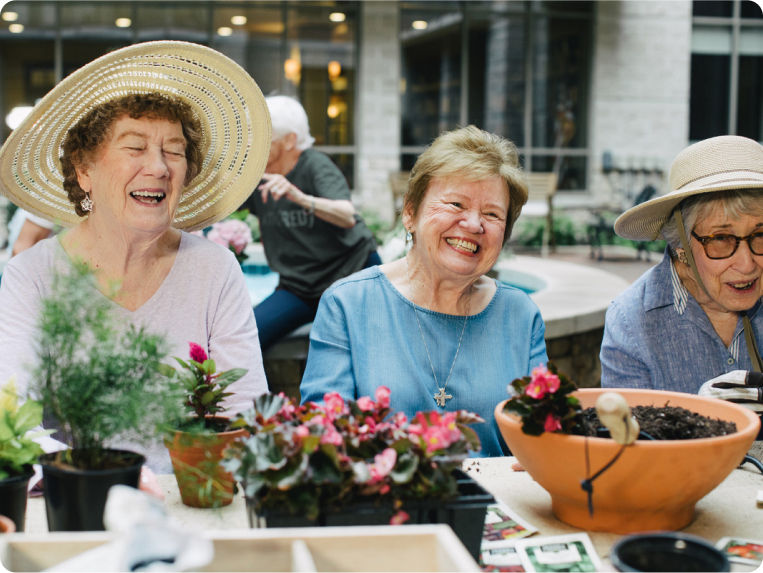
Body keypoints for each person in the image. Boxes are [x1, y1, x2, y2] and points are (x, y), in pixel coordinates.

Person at [0, 41, 272, 473]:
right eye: (134, 147)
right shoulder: (32, 276)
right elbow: (13, 417)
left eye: (175, 150)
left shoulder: (214, 269)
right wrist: (103, 486)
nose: (160, 167)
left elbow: (245, 409)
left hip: (192, 496)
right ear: (83, 170)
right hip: (75, 501)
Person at [300, 125, 548, 457]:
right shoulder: (348, 304)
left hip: (495, 505)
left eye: (492, 214)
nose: (474, 224)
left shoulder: (519, 314)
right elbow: (323, 440)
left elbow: (542, 446)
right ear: (410, 212)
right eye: (456, 204)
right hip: (382, 502)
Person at [600, 135, 762, 398]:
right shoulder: (631, 322)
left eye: (761, 234)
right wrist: (696, 417)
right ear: (681, 246)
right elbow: (631, 437)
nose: (747, 264)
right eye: (721, 239)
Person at [243, 95, 380, 352]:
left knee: (367, 350)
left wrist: (300, 197)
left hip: (350, 278)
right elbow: (219, 205)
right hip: (299, 289)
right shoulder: (257, 175)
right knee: (245, 339)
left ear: (289, 140)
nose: (255, 144)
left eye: (264, 138)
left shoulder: (316, 166)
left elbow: (346, 215)